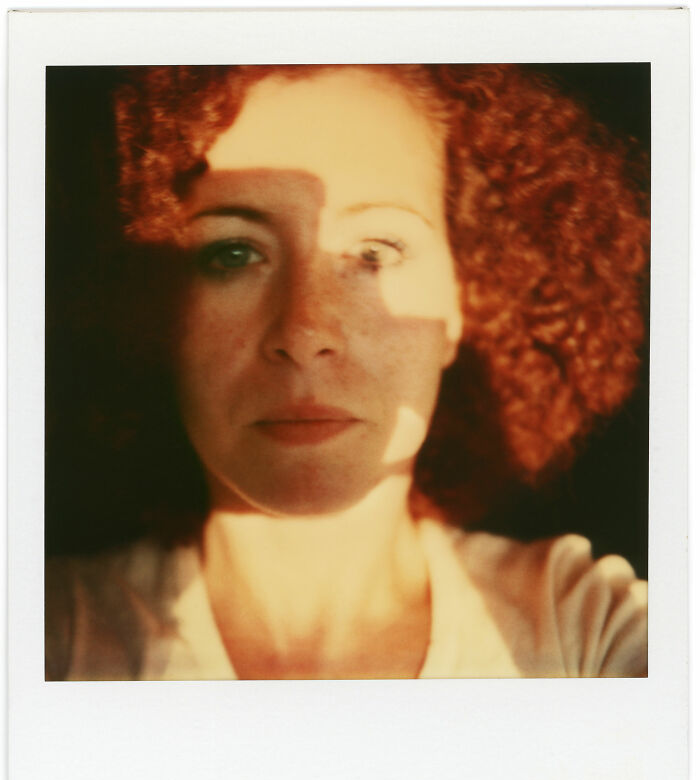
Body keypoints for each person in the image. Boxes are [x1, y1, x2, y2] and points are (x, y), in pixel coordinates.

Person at [45, 64, 649, 680]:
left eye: (374, 252)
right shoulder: (48, 637)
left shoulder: (589, 631)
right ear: (145, 306)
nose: (306, 333)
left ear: (465, 298)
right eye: (232, 252)